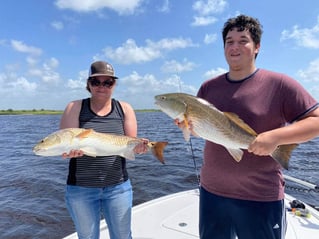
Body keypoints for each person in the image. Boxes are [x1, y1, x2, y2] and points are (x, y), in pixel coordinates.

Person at [176, 15, 319, 239]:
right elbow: (202, 131)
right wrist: (188, 126)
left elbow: (316, 120)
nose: (235, 47)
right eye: (229, 41)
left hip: (260, 197)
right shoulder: (208, 87)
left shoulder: (280, 84)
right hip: (212, 193)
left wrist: (275, 138)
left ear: (257, 47)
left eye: (243, 40)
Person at [60, 60, 148, 239]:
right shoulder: (74, 107)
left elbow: (130, 146)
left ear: (114, 84)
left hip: (118, 187)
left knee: (123, 236)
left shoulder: (124, 109)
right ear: (88, 84)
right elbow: (66, 144)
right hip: (81, 188)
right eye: (96, 82)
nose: (102, 86)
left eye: (107, 82)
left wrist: (140, 147)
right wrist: (70, 152)